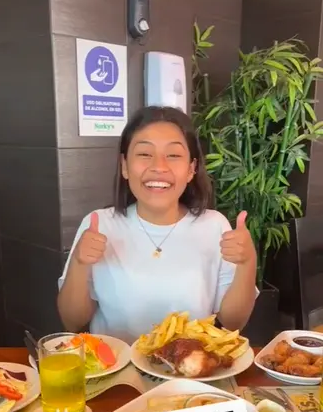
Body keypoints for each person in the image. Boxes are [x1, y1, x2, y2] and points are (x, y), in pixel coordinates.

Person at [57, 106, 257, 342]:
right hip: (117, 369)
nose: (159, 167)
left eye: (173, 155)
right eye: (144, 154)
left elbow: (234, 322)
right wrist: (80, 263)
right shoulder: (99, 224)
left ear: (191, 169)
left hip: (189, 369)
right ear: (124, 165)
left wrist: (247, 262)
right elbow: (72, 321)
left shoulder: (215, 225)